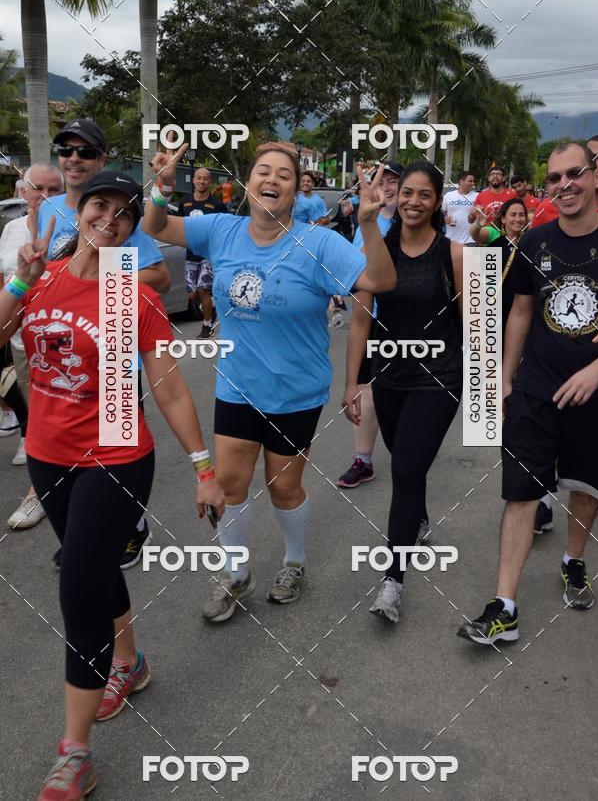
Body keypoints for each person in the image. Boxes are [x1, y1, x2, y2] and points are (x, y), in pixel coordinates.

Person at [0, 170, 224, 800]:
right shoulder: (38, 279)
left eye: (124, 213)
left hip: (116, 453)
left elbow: (169, 387)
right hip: (47, 452)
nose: (110, 218)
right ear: (80, 211)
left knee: (77, 585)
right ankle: (131, 662)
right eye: (100, 204)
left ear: (131, 230)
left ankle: (74, 755)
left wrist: (204, 468)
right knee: (95, 570)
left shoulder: (131, 298)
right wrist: (19, 280)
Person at [143, 141, 397, 620]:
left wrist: (366, 221)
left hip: (295, 391)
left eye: (284, 174)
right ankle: (236, 574)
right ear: (248, 182)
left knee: (283, 488)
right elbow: (154, 226)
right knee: (231, 482)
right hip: (237, 385)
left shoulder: (318, 243)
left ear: (294, 188)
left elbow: (381, 282)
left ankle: (294, 562)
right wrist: (160, 189)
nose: (272, 180)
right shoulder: (221, 229)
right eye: (263, 171)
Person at [459, 143, 598, 646]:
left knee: (585, 487)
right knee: (520, 494)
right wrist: (503, 375)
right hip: (536, 391)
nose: (564, 184)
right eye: (555, 177)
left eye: (575, 174)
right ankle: (505, 607)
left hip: (593, 399)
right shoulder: (535, 241)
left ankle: (573, 561)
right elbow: (519, 311)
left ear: (595, 175)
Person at [40, 118, 171, 570]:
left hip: (112, 346)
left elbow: (158, 275)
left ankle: (128, 529)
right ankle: (85, 537)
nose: (73, 158)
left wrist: (104, 281)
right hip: (58, 341)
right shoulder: (48, 208)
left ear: (100, 160)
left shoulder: (117, 209)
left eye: (85, 151)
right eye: (66, 149)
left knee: (112, 446)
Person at [344, 161, 463, 623]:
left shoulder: (453, 255)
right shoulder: (376, 249)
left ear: (437, 203)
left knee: (408, 469)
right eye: (406, 193)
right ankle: (419, 516)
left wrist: (492, 389)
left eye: (424, 195)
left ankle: (392, 580)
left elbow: (478, 326)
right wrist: (353, 382)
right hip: (389, 379)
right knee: (405, 463)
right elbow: (360, 319)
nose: (413, 201)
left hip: (439, 379)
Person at [0, 164, 64, 528]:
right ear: (22, 192)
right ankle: (44, 486)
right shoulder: (10, 229)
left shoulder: (73, 226)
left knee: (60, 414)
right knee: (37, 413)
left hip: (62, 342)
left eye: (54, 189)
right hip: (21, 340)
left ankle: (39, 491)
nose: (46, 195)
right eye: (38, 187)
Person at [337, 161, 403, 488]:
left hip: (409, 325)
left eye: (394, 181)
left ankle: (408, 458)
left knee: (403, 396)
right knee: (365, 390)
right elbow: (355, 271)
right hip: (372, 319)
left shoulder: (416, 222)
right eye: (383, 181)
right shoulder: (366, 223)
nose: (388, 187)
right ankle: (363, 460)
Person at [177, 167, 228, 339]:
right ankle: (211, 308)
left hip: (208, 255)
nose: (201, 181)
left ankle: (206, 327)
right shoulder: (184, 202)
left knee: (203, 289)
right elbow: (178, 226)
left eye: (205, 179)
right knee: (192, 294)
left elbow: (224, 229)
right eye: (198, 178)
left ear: (210, 181)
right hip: (190, 254)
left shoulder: (217, 204)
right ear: (193, 180)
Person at [469, 198, 528, 334]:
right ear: (503, 219)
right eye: (513, 215)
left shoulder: (530, 243)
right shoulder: (495, 244)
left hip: (521, 309)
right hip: (495, 309)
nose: (518, 219)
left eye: (521, 215)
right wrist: (478, 223)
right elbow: (483, 280)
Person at [441, 170, 478, 243]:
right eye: (470, 181)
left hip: (471, 241)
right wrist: (444, 219)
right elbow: (440, 213)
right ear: (461, 182)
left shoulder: (477, 196)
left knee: (471, 255)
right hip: (450, 240)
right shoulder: (448, 195)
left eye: (473, 181)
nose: (473, 184)